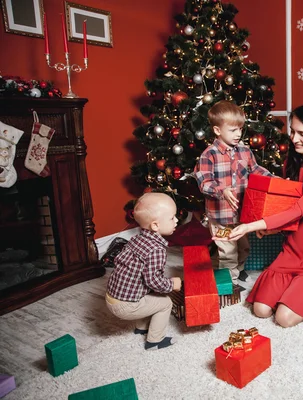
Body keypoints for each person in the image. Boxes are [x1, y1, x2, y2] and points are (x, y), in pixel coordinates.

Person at [215, 103, 303, 328]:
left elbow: (299, 210)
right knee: (260, 310)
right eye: (293, 131)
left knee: (284, 318)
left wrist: (249, 226)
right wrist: (270, 228)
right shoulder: (292, 163)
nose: (295, 139)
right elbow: (287, 209)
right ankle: (297, 288)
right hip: (293, 251)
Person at [195, 100, 272, 284]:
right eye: (233, 130)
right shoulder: (209, 154)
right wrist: (222, 190)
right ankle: (229, 282)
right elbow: (204, 182)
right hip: (220, 216)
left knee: (243, 247)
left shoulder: (245, 151)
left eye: (240, 129)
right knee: (227, 252)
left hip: (242, 214)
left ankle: (239, 269)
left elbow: (256, 170)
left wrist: (273, 179)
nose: (238, 134)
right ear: (217, 130)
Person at [106, 192, 182, 350]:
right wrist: (172, 284)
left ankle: (142, 327)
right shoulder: (156, 250)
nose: (176, 220)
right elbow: (153, 281)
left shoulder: (136, 239)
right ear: (155, 225)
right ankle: (155, 340)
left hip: (112, 297)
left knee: (151, 296)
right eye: (172, 218)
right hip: (125, 306)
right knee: (166, 303)